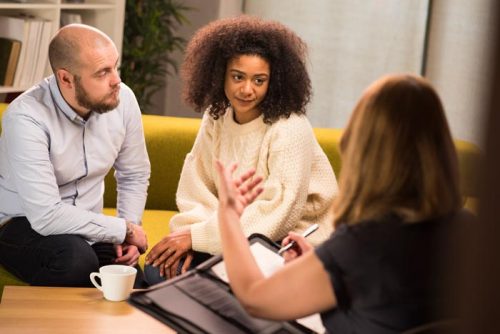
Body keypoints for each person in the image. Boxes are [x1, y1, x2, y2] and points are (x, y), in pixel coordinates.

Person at [215, 73, 470, 333]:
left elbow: (255, 299)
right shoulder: (473, 230)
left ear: (363, 148)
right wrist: (322, 262)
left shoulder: (363, 243)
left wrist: (228, 214)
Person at [144, 15, 338, 282]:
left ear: (274, 81)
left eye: (259, 80)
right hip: (228, 236)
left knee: (194, 280)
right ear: (220, 74)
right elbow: (196, 189)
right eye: (238, 77)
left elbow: (279, 213)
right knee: (158, 270)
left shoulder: (291, 127)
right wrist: (195, 236)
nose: (247, 89)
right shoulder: (215, 116)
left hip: (286, 242)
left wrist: (199, 238)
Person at [0, 24, 150, 287]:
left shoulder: (123, 98)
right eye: (103, 73)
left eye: (115, 67)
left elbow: (134, 173)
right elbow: (46, 215)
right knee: (76, 261)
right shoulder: (26, 117)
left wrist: (127, 233)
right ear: (66, 78)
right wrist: (124, 230)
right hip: (22, 223)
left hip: (87, 224)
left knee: (130, 280)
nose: (116, 80)